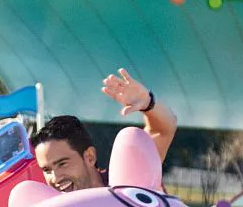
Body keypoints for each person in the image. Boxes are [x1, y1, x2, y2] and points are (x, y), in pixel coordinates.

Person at [29, 70, 180, 192]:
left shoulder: (128, 179)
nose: (55, 178)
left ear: (89, 157)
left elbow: (163, 130)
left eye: (62, 164)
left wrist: (148, 103)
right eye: (47, 170)